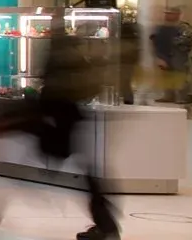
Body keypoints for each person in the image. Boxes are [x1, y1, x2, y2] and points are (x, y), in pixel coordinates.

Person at [31, 25, 118, 240]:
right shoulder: (74, 56)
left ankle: (106, 226)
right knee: (87, 173)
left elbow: (51, 90)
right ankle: (106, 224)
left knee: (82, 171)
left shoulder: (57, 56)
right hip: (72, 117)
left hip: (61, 118)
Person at [148, 7, 190, 103]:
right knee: (166, 77)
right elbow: (155, 42)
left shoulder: (183, 27)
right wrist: (158, 57)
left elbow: (188, 41)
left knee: (180, 77)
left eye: (171, 14)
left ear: (178, 15)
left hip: (178, 55)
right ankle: (168, 96)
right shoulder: (160, 28)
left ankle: (181, 97)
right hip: (164, 56)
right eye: (167, 13)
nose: (168, 15)